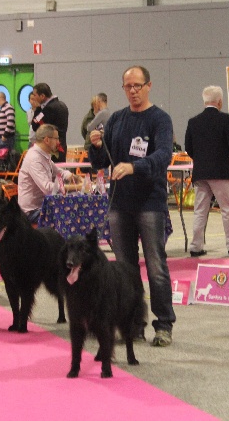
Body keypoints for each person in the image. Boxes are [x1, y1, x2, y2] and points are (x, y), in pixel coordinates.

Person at [88, 65, 176, 347]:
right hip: (119, 203)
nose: (133, 91)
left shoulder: (160, 119)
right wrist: (97, 146)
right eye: (128, 87)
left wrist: (134, 167)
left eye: (138, 86)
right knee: (125, 269)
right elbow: (101, 163)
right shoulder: (115, 120)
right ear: (123, 89)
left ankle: (163, 325)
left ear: (149, 85)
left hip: (150, 202)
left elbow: (164, 156)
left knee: (155, 266)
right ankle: (132, 323)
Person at [185, 85, 229, 257]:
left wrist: (201, 160)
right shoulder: (226, 119)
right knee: (226, 208)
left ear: (204, 101)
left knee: (200, 210)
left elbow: (188, 147)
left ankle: (196, 247)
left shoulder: (193, 121)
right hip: (220, 171)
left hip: (201, 172)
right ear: (220, 102)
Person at [18, 124, 82, 224]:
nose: (58, 142)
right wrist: (76, 187)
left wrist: (73, 177)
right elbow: (47, 188)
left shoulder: (43, 155)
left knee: (75, 209)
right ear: (47, 140)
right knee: (70, 215)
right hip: (32, 212)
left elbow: (59, 172)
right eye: (56, 139)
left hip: (42, 206)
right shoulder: (35, 159)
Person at [31, 83, 68, 162]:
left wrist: (38, 108)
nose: (33, 98)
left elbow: (34, 125)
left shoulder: (48, 109)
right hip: (62, 145)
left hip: (51, 148)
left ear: (42, 96)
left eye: (35, 95)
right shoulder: (63, 105)